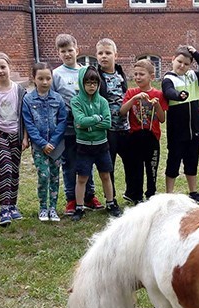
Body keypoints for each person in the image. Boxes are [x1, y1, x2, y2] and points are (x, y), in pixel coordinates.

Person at [51, 34, 102, 215]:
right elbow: (53, 100)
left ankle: (89, 196)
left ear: (77, 50)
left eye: (70, 50)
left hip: (87, 126)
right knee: (70, 163)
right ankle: (72, 198)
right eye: (63, 51)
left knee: (86, 161)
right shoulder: (56, 74)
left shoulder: (86, 70)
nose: (67, 54)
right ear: (59, 53)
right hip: (68, 127)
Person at [162, 45, 199, 205]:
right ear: (173, 59)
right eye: (179, 61)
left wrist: (197, 54)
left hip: (194, 131)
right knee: (173, 162)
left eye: (186, 63)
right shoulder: (168, 78)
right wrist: (178, 95)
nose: (182, 66)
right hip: (177, 131)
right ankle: (169, 195)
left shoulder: (192, 76)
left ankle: (193, 192)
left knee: (192, 162)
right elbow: (167, 91)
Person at [0, 52, 29, 226]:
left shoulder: (20, 90)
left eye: (3, 67)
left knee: (15, 171)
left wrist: (25, 137)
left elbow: (24, 116)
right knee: (6, 168)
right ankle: (4, 208)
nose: (0, 71)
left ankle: (13, 206)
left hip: (16, 135)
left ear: (9, 67)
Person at [71, 66, 122, 220]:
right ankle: (79, 207)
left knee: (106, 175)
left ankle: (111, 203)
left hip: (102, 146)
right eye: (88, 82)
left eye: (94, 83)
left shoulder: (103, 101)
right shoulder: (76, 101)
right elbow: (79, 121)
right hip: (83, 146)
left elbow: (108, 123)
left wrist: (89, 124)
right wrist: (97, 118)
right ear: (82, 83)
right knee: (82, 178)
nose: (91, 86)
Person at [22, 62, 67, 223]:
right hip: (38, 146)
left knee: (55, 176)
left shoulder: (58, 98)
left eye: (48, 78)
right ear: (34, 79)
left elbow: (62, 121)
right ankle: (43, 207)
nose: (45, 82)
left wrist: (53, 142)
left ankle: (53, 208)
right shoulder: (28, 99)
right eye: (40, 78)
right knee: (44, 175)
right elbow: (29, 124)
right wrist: (42, 144)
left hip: (56, 146)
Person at [120, 59, 167, 203]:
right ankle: (137, 196)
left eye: (142, 74)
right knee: (137, 168)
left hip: (152, 137)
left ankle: (151, 194)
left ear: (151, 77)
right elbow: (122, 111)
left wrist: (157, 105)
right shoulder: (131, 92)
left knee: (151, 167)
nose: (138, 77)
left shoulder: (158, 94)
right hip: (135, 137)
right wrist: (134, 99)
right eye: (135, 74)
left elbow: (162, 118)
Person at [96, 38, 132, 205]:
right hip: (107, 129)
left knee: (130, 162)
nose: (104, 56)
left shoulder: (120, 75)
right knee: (108, 165)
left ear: (115, 55)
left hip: (124, 127)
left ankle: (131, 192)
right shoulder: (96, 76)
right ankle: (110, 197)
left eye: (108, 53)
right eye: (100, 53)